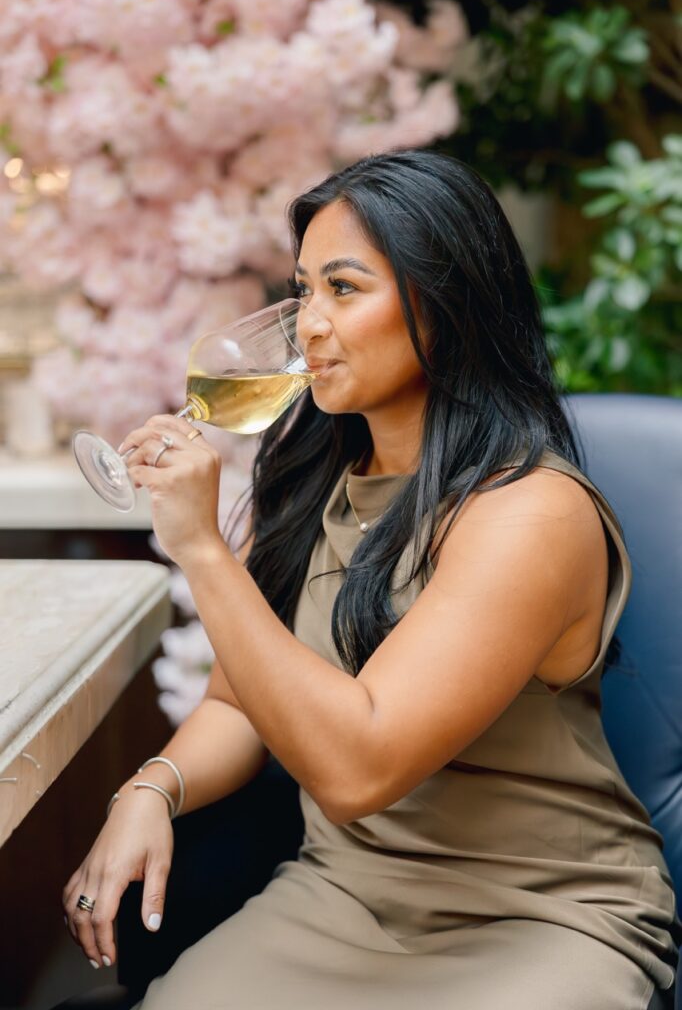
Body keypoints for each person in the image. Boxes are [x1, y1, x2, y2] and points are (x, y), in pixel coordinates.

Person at [63, 148, 680, 1010]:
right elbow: (240, 704)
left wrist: (200, 549)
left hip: (536, 919)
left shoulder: (531, 514)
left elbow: (358, 769)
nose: (309, 323)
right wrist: (149, 789)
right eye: (303, 289)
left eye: (344, 290)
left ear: (445, 303)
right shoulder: (321, 483)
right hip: (343, 898)